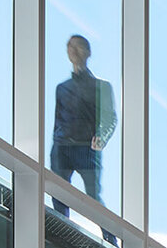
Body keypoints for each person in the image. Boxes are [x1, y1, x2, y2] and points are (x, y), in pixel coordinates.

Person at [50, 35, 118, 236]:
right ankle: (61, 234)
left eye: (77, 47)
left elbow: (110, 118)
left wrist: (102, 137)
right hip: (62, 146)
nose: (73, 50)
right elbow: (57, 119)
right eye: (70, 46)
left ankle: (110, 236)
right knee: (59, 194)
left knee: (93, 198)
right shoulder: (62, 88)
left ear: (87, 53)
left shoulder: (101, 87)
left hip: (87, 148)